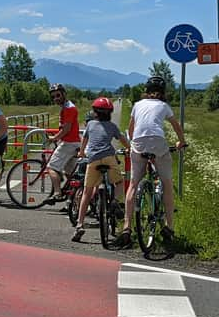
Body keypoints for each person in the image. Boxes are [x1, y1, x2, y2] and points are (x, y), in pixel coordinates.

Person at [114, 76, 187, 248]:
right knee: (167, 184)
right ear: (163, 92)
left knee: (133, 184)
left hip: (138, 143)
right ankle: (169, 227)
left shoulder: (138, 104)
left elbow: (131, 128)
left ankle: (126, 228)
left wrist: (133, 143)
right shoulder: (163, 105)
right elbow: (176, 125)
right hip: (158, 142)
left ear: (146, 90)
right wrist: (181, 142)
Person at [72, 97, 129, 242]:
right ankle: (115, 201)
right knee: (119, 183)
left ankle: (79, 224)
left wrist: (82, 152)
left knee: (87, 191)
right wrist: (129, 148)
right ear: (110, 113)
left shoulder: (90, 124)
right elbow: (122, 139)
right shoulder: (112, 126)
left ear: (94, 112)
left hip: (93, 160)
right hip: (109, 158)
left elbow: (84, 142)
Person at [46, 83, 80, 202]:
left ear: (64, 94)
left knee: (51, 167)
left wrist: (54, 138)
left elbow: (66, 129)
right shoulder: (67, 107)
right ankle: (72, 202)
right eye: (54, 96)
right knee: (70, 174)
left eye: (58, 95)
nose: (56, 98)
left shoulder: (69, 108)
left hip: (69, 143)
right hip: (73, 143)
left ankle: (57, 193)